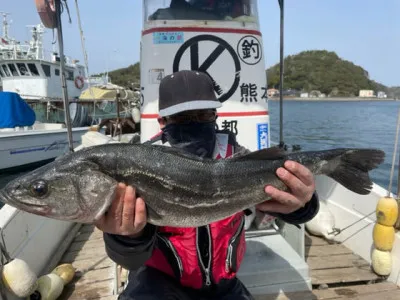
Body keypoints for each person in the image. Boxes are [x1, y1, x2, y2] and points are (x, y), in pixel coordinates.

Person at [95, 70, 319, 300]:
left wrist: (303, 205)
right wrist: (126, 236)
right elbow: (130, 259)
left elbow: (281, 198)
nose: (194, 122)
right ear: (162, 121)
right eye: (182, 117)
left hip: (223, 285)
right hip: (158, 282)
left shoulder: (238, 160)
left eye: (203, 115)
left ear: (215, 116)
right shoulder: (142, 167)